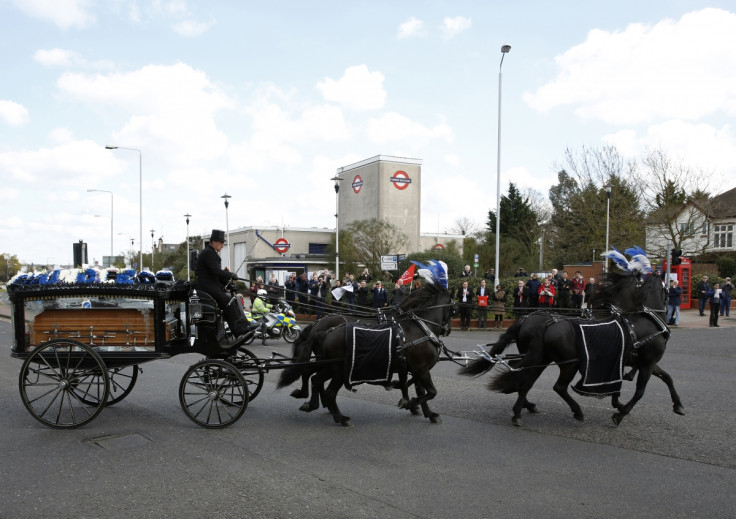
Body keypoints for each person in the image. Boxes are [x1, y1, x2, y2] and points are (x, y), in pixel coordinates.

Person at [193, 229, 258, 339]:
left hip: (210, 283)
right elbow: (215, 272)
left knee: (235, 299)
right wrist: (230, 274)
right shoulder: (209, 252)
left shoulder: (211, 252)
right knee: (227, 300)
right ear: (214, 242)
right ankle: (237, 328)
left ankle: (243, 324)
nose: (223, 245)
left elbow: (214, 272)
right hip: (206, 285)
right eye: (221, 243)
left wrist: (227, 275)